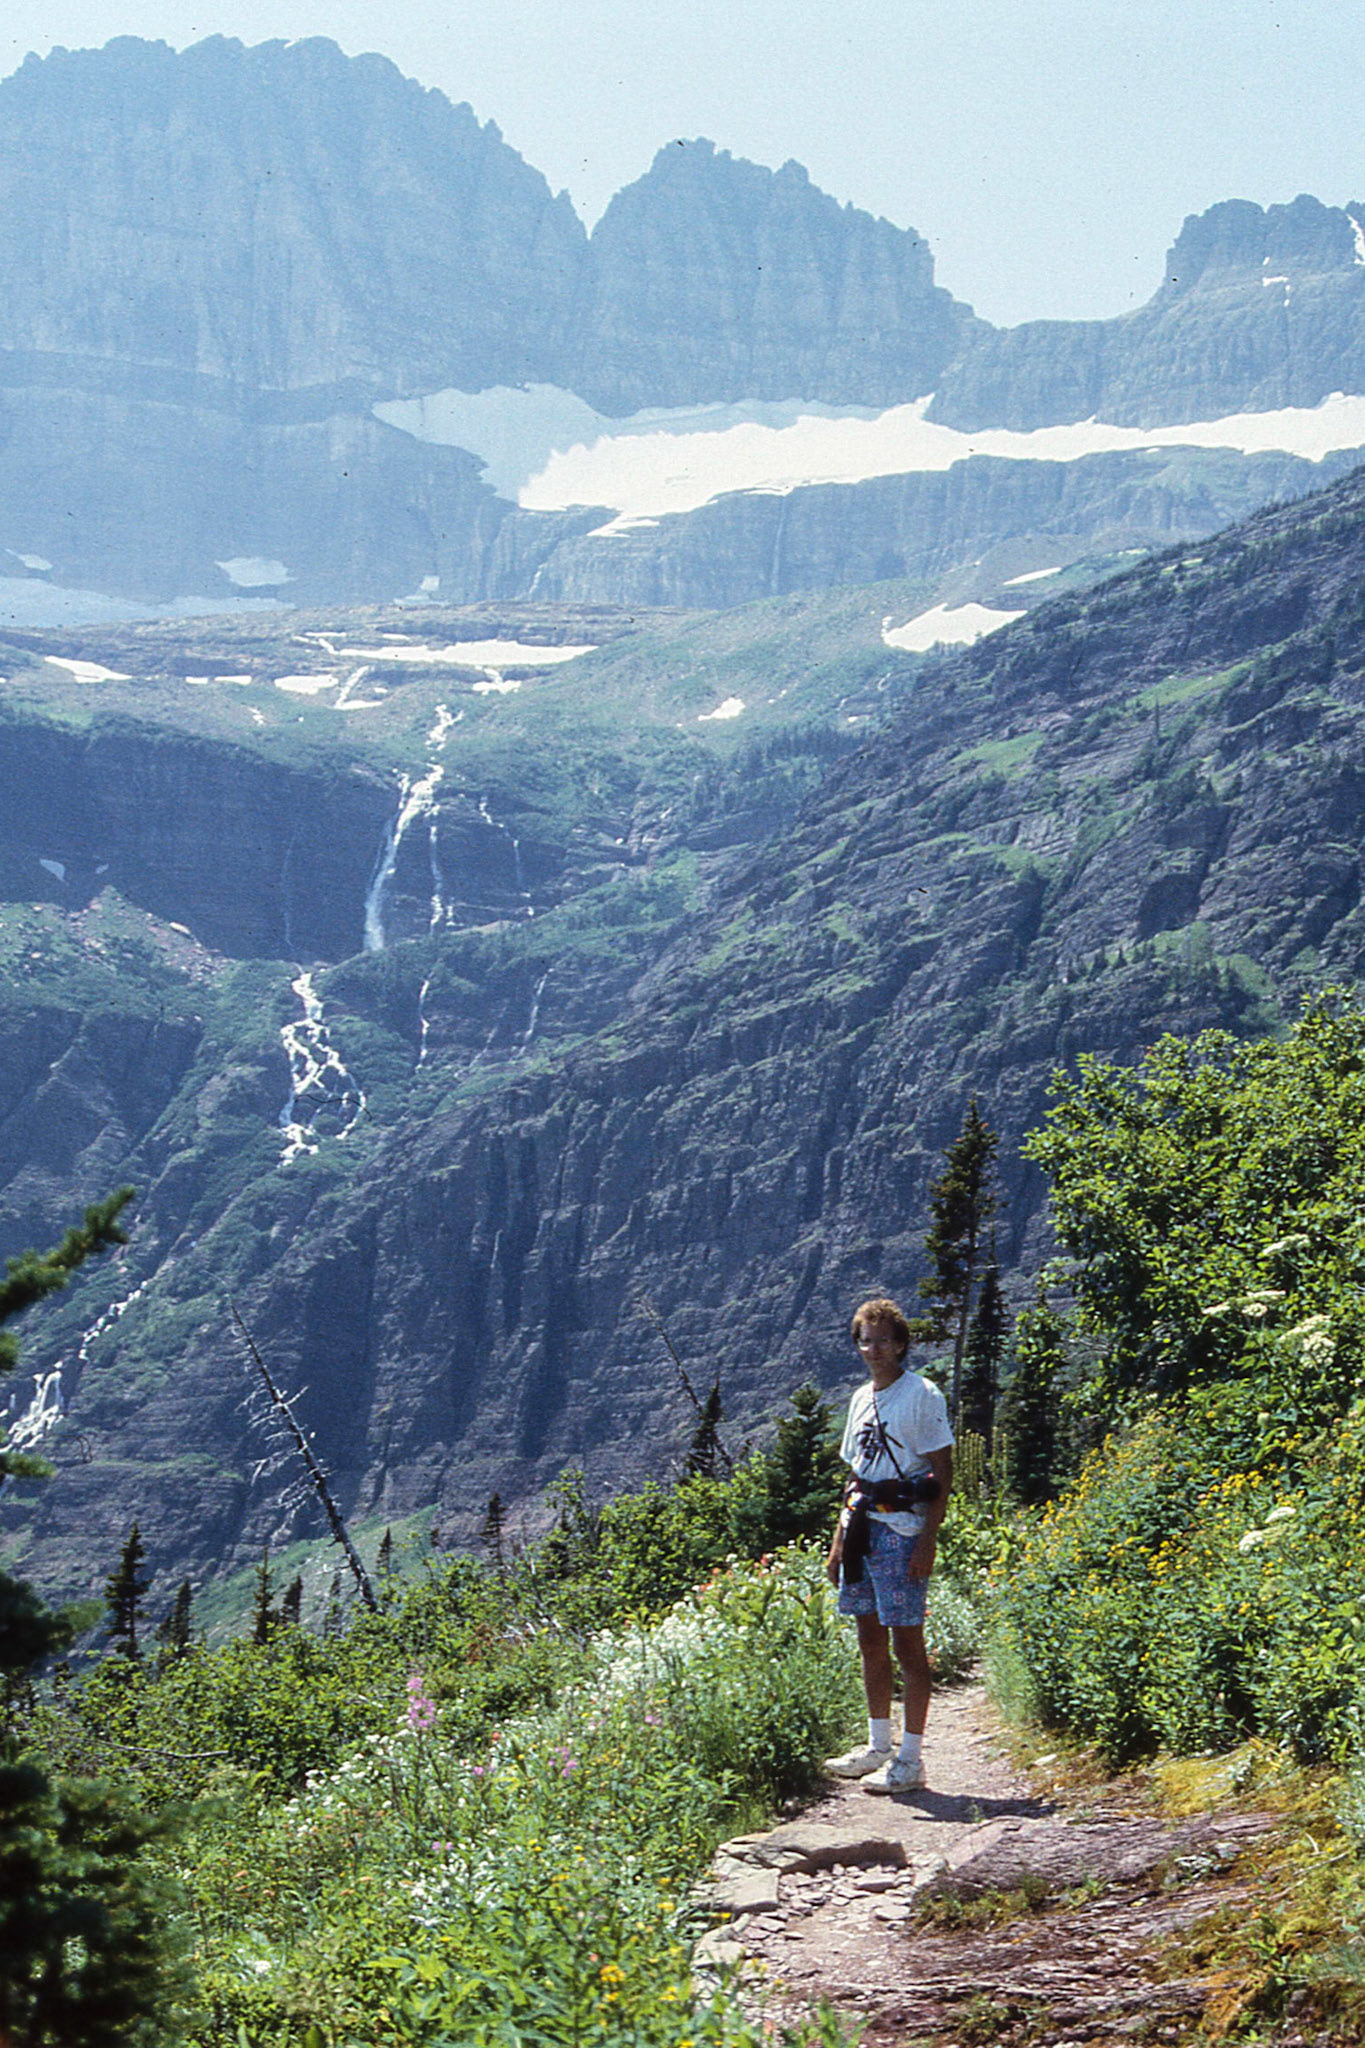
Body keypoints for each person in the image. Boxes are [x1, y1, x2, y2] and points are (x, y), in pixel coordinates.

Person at [823, 1295, 954, 1793]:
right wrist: (838, 1541)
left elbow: (942, 1472)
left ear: (901, 1344)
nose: (873, 1349)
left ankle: (911, 1758)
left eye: (882, 1340)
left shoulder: (922, 1394)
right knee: (870, 1639)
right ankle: (878, 1745)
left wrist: (928, 1540)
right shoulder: (861, 1399)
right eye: (865, 1340)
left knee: (907, 1643)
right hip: (863, 1528)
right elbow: (855, 1475)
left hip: (903, 1531)